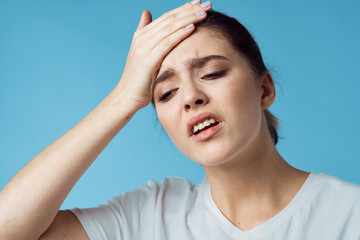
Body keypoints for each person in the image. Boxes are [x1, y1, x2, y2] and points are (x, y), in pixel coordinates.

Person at [1, 1, 360, 239]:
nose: (191, 97)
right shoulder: (150, 216)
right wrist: (122, 99)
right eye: (166, 93)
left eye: (213, 73)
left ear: (264, 88)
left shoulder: (348, 214)